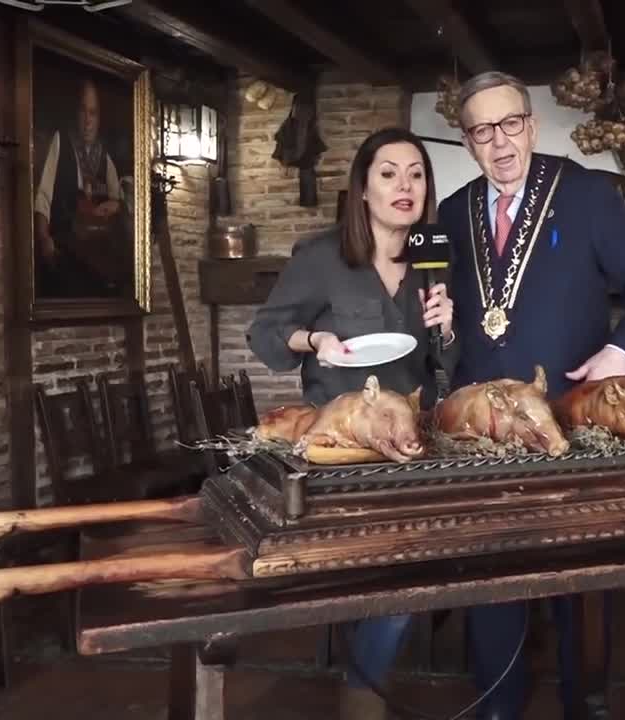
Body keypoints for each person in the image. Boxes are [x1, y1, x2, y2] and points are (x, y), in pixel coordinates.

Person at [437, 71, 625, 719]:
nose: (500, 142)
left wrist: (622, 354)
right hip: (483, 431)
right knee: (492, 571)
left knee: (578, 575)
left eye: (510, 123)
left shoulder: (587, 195)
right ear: (468, 142)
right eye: (483, 131)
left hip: (571, 419)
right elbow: (430, 298)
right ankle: (497, 701)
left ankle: (585, 700)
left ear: (532, 124)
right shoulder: (450, 212)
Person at [245, 127, 458, 720]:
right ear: (363, 188)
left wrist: (446, 326)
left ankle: (360, 686)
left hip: (412, 443)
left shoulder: (434, 248)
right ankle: (363, 694)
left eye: (415, 173)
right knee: (387, 570)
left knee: (409, 563)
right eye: (388, 173)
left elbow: (445, 365)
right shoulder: (320, 256)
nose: (404, 186)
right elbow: (264, 332)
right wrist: (315, 339)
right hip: (337, 450)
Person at [33, 77, 125, 298]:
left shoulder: (105, 155)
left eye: (92, 113)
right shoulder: (61, 141)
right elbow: (43, 196)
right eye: (83, 111)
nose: (87, 121)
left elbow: (121, 200)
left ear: (99, 118)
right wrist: (44, 237)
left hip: (97, 256)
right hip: (65, 250)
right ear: (76, 113)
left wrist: (116, 205)